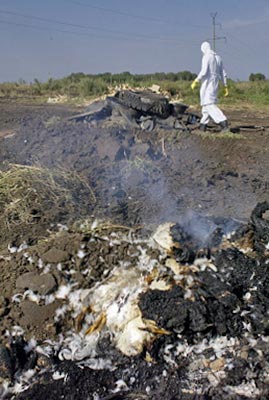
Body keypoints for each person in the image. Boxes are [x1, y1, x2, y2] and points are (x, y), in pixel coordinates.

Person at [191, 41, 229, 132]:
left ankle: (223, 122)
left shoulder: (206, 57)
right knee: (205, 107)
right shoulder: (218, 58)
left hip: (208, 83)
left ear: (203, 49)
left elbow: (204, 71)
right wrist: (225, 86)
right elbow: (223, 73)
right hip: (215, 83)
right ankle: (202, 126)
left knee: (209, 104)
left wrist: (196, 80)